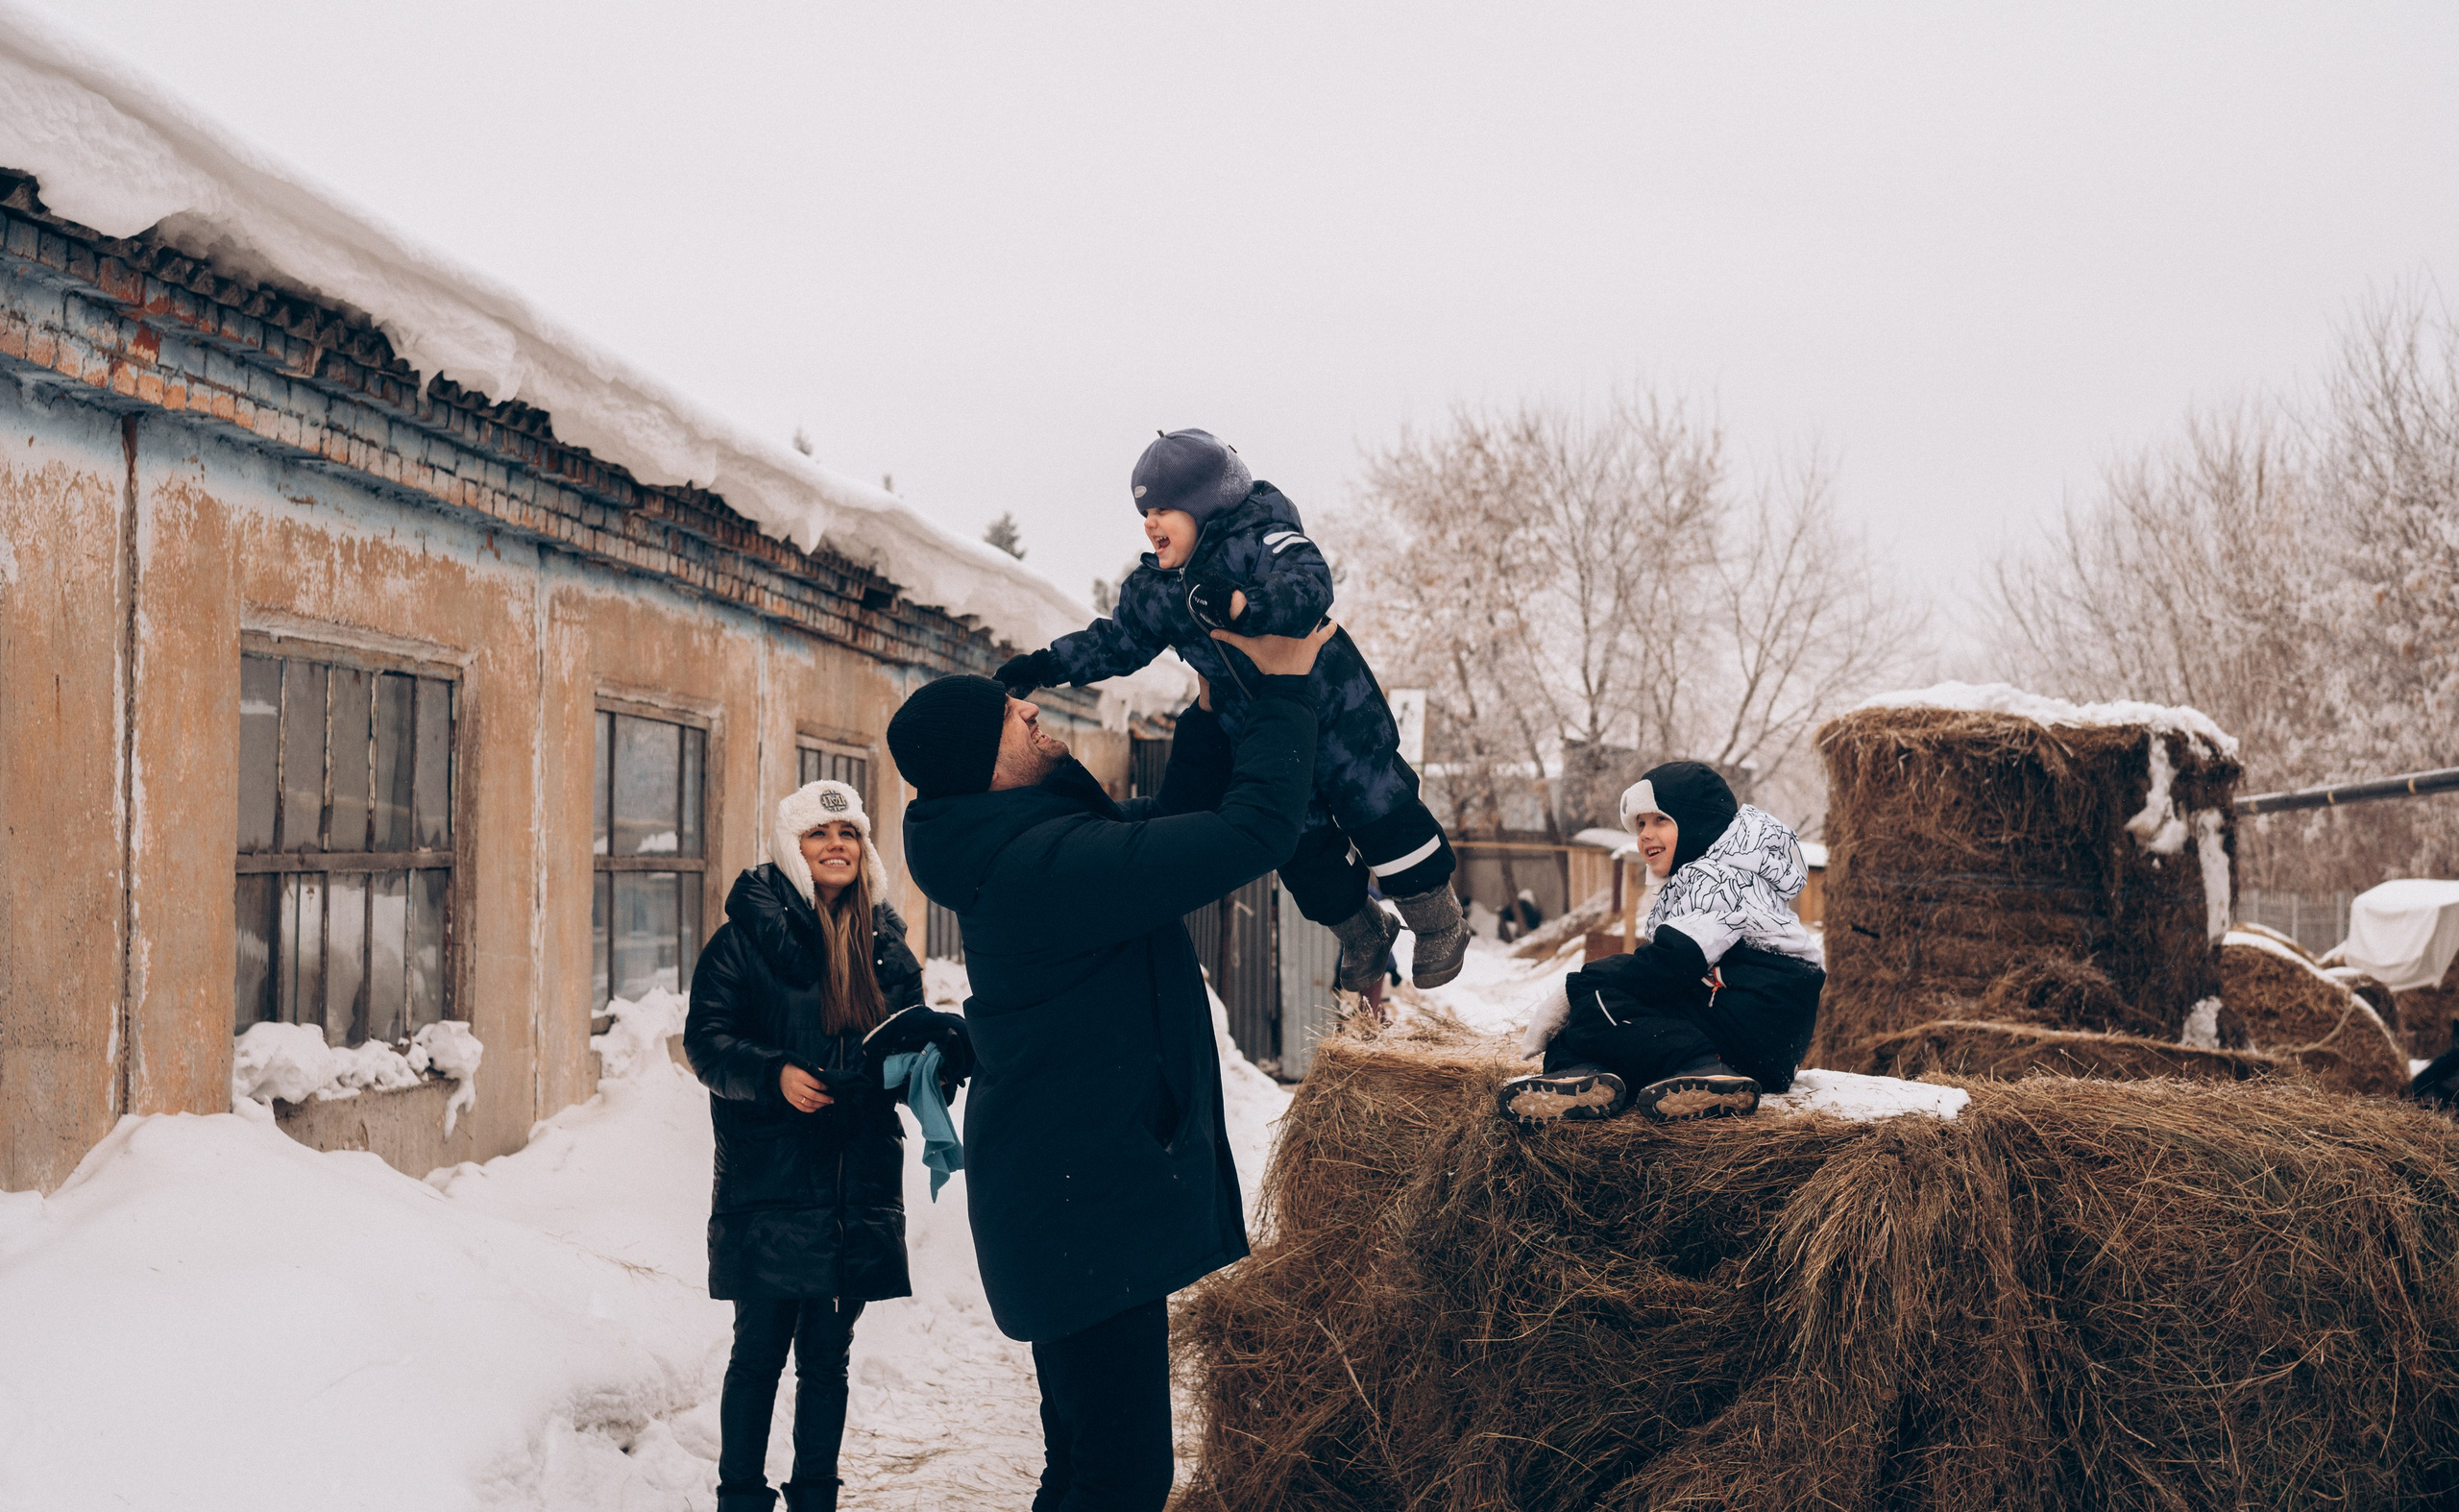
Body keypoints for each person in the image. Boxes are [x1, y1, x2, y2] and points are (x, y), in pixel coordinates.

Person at [889, 619, 1334, 1512]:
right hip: (1073, 1212)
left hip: (1069, 1197)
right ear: (984, 763)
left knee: (1094, 1470)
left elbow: (1171, 826)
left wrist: (1210, 712)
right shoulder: (1041, 868)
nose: (1029, 707)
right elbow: (1251, 833)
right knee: (1118, 1478)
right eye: (1011, 716)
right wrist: (1286, 689)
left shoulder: (1029, 845)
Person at [991, 427, 1469, 992]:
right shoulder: (1156, 591)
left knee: (1381, 811)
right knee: (1300, 846)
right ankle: (1364, 933)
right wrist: (1046, 666)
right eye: (1144, 510)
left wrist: (1246, 603)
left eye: (1164, 508)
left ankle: (1438, 923)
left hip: (1339, 716)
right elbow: (1115, 642)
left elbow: (1310, 584)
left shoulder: (1261, 538)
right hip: (1265, 734)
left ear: (1207, 504)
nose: (1150, 522)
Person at [684, 780, 974, 1512]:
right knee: (757, 1355)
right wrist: (772, 1072)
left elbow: (899, 1049)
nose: (836, 846)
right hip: (772, 1177)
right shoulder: (743, 941)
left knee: (828, 1358)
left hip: (856, 1172)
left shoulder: (887, 950)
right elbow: (708, 1043)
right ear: (792, 848)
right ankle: (740, 1497)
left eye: (848, 835)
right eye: (819, 835)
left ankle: (817, 1496)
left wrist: (935, 1062)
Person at [1501, 762, 1825, 1124]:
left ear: (1696, 823)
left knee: (1601, 1004)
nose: (1645, 834)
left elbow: (1674, 961)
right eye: (1640, 824)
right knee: (1604, 1011)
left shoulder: (1716, 878)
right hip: (1761, 1046)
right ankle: (1584, 1076)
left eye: (1660, 820)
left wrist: (1581, 984)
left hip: (1746, 1030)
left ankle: (1695, 1071)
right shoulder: (1729, 876)